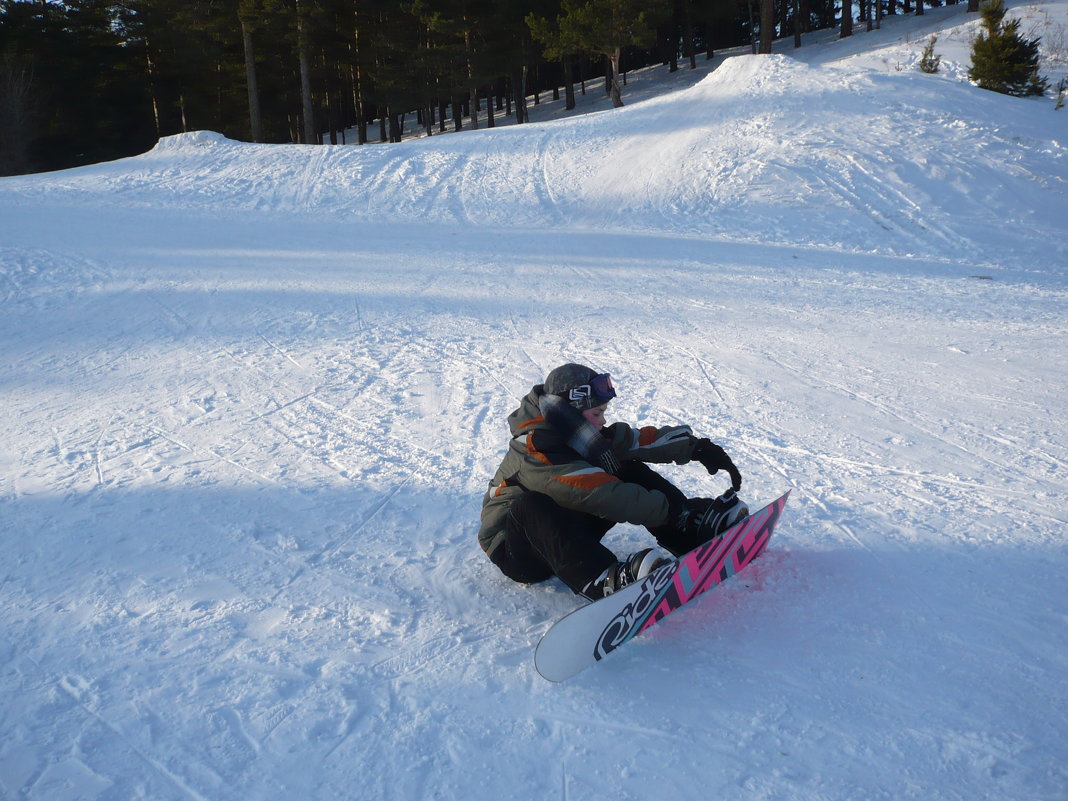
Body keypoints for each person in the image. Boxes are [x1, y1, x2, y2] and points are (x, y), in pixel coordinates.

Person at [478, 363, 748, 601]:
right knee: (531, 504)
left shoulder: (575, 431)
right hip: (517, 551)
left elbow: (633, 442)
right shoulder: (535, 451)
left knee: (624, 467)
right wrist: (670, 509)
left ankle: (686, 530)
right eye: (597, 413)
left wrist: (696, 448)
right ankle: (601, 580)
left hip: (563, 533)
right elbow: (602, 494)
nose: (602, 420)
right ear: (571, 410)